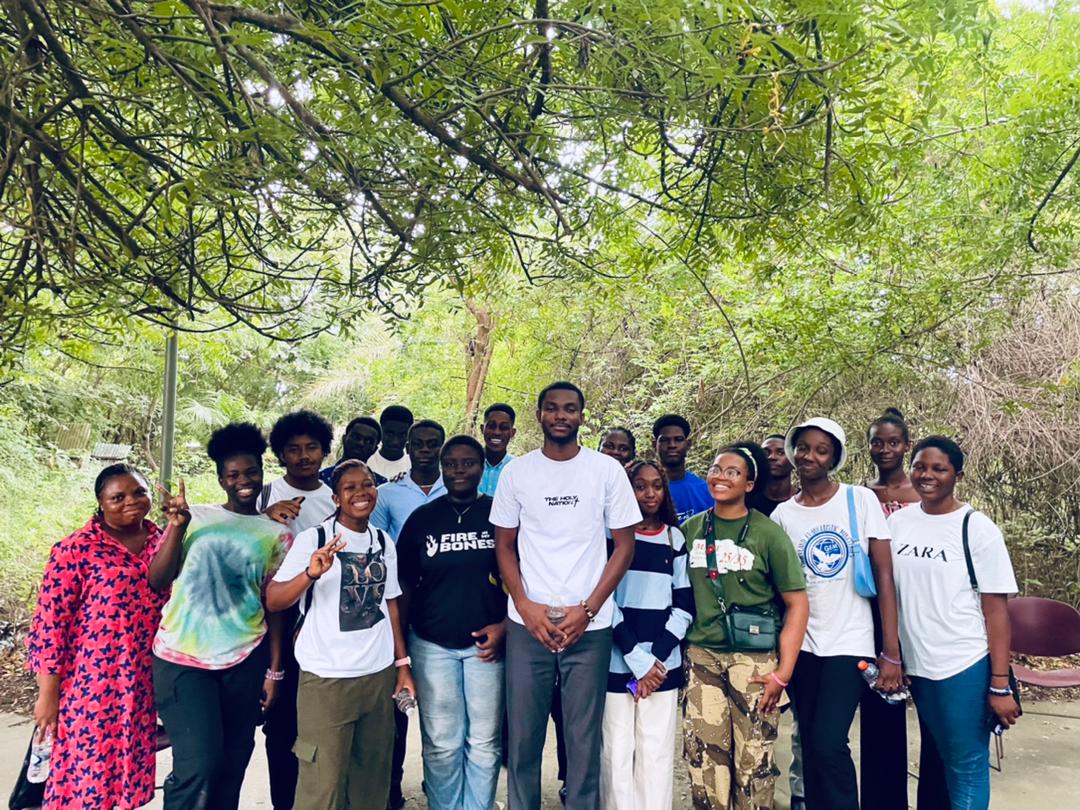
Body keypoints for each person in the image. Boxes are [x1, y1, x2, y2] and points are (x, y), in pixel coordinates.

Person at [493, 381, 641, 810]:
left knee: (582, 737)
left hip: (589, 626)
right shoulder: (517, 472)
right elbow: (504, 546)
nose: (561, 415)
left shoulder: (606, 471)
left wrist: (588, 609)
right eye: (552, 408)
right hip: (527, 625)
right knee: (522, 737)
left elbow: (624, 545)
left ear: (581, 416)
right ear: (539, 414)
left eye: (570, 409)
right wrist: (524, 605)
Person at [151, 424, 292, 809]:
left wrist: (274, 670)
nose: (243, 481)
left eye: (251, 473)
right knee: (201, 763)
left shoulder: (276, 534)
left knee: (233, 764)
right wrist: (176, 528)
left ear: (262, 475)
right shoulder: (193, 518)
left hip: (244, 659)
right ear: (220, 480)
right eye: (233, 475)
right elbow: (157, 579)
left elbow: (274, 605)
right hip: (182, 658)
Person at [266, 460, 416, 810]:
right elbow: (274, 600)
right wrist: (310, 573)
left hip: (376, 676)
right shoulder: (314, 539)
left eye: (367, 485)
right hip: (327, 680)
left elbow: (390, 604)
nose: (361, 493)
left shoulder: (382, 541)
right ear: (335, 498)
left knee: (371, 780)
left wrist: (402, 664)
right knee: (323, 783)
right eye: (350, 488)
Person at [769, 417, 902, 810]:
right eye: (804, 447)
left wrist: (890, 651)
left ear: (834, 459)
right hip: (802, 644)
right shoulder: (782, 516)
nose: (810, 456)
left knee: (829, 742)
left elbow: (885, 575)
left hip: (850, 642)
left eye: (821, 450)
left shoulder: (859, 500)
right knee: (809, 742)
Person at [27, 464, 175, 810]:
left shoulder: (162, 541)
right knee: (86, 776)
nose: (132, 502)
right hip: (90, 685)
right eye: (118, 497)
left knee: (127, 774)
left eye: (139, 492)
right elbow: (50, 626)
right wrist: (47, 695)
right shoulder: (76, 549)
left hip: (141, 682)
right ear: (101, 503)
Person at [890, 436, 1019, 810]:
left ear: (957, 475)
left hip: (962, 663)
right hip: (919, 666)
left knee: (966, 765)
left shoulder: (977, 528)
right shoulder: (899, 523)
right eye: (920, 466)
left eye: (938, 468)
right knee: (947, 757)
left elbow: (996, 611)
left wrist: (998, 684)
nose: (926, 475)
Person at [681, 443, 809, 810]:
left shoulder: (768, 534)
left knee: (754, 760)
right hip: (703, 655)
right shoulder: (691, 530)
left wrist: (783, 673)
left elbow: (797, 603)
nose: (721, 476)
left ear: (749, 484)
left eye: (733, 472)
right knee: (704, 759)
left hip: (755, 663)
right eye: (716, 469)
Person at [397, 436, 507, 810]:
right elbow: (405, 585)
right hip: (431, 645)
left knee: (484, 741)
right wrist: (404, 649)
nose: (460, 470)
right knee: (442, 742)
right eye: (452, 464)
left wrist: (506, 627)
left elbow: (523, 579)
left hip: (486, 648)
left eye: (469, 463)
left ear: (481, 468)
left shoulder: (500, 516)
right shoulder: (422, 519)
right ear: (443, 469)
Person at [862, 408, 950, 810]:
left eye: (893, 442)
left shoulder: (925, 495)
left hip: (925, 614)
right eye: (877, 441)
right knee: (882, 718)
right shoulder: (861, 496)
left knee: (935, 717)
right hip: (876, 616)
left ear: (906, 446)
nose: (885, 449)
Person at [599, 459, 693, 810]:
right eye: (640, 485)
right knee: (617, 753)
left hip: (660, 668)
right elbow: (603, 601)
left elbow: (684, 605)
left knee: (656, 754)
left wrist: (655, 660)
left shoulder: (674, 538)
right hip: (618, 660)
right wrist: (636, 657)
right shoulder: (611, 537)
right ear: (627, 489)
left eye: (656, 485)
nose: (649, 493)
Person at [258, 409, 338, 810]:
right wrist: (264, 517)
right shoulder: (264, 494)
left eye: (312, 448)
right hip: (277, 617)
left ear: (325, 451)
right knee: (281, 722)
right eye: (294, 449)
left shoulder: (335, 497)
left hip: (326, 616)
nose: (304, 456)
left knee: (321, 721)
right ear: (281, 454)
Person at [370, 418, 447, 808]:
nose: (425, 450)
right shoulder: (387, 494)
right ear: (409, 446)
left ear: (442, 448)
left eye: (433, 444)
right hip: (400, 608)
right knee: (396, 703)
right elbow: (379, 551)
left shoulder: (457, 489)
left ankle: (440, 785)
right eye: (419, 443)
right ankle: (391, 787)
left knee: (439, 706)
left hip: (445, 610)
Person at [652, 414, 712, 523]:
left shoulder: (705, 490)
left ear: (688, 444)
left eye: (678, 439)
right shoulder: (645, 492)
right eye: (665, 440)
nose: (672, 445)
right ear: (654, 444)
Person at [321, 416, 387, 488]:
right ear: (344, 439)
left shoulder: (380, 485)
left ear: (375, 449)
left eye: (368, 441)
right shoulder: (321, 479)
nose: (361, 443)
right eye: (356, 437)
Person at [368, 405, 415, 481]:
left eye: (402, 435)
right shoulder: (367, 462)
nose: (395, 441)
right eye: (390, 434)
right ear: (381, 431)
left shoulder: (414, 467)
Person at [479, 403, 517, 496]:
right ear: (482, 429)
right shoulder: (468, 465)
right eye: (491, 426)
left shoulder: (517, 468)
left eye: (504, 428)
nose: (497, 432)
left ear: (512, 433)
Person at [759, 434, 797, 517]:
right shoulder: (748, 500)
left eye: (780, 453)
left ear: (793, 460)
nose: (772, 457)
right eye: (766, 453)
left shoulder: (803, 502)